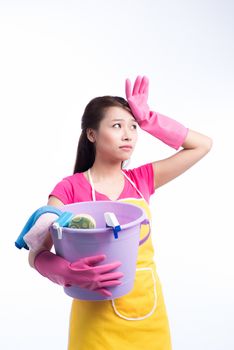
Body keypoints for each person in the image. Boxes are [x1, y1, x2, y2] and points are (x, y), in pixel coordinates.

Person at [28, 75, 212, 349]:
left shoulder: (142, 180)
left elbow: (202, 145)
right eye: (117, 126)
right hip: (94, 320)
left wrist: (150, 118)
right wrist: (68, 273)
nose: (128, 135)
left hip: (148, 312)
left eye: (134, 127)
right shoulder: (69, 189)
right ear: (91, 134)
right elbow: (36, 254)